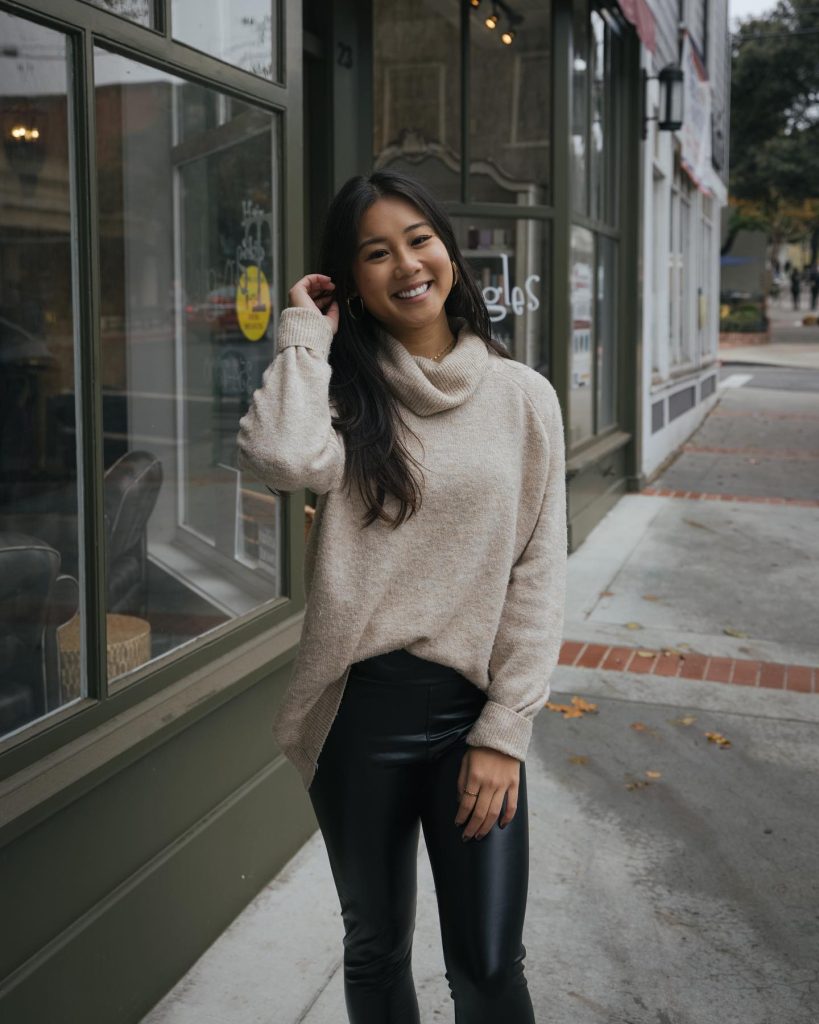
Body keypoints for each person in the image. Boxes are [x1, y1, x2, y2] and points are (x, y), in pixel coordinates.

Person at [236, 170, 567, 1024]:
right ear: (352, 281)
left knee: (489, 966)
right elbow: (279, 457)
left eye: (418, 239)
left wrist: (505, 730)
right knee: (376, 948)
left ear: (446, 248)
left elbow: (537, 574)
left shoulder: (524, 397)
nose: (407, 264)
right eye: (375, 253)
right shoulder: (341, 396)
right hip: (360, 711)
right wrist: (303, 335)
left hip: (470, 716)